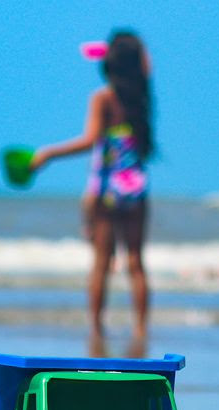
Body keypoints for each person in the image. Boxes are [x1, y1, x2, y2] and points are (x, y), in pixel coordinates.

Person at [29, 30, 154, 351]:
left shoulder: (103, 97)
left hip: (106, 187)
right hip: (136, 185)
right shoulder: (141, 97)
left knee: (101, 262)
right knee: (136, 262)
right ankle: (141, 329)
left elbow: (90, 140)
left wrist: (48, 154)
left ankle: (97, 329)